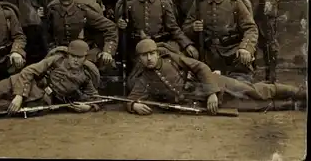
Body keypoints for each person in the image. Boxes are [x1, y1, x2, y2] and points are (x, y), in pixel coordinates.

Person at [125, 39, 306, 116]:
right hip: (199, 102)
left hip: (211, 83)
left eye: (151, 54)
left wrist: (212, 91)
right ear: (139, 59)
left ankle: (299, 93)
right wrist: (134, 105)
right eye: (144, 56)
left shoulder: (172, 59)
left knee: (255, 91)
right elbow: (130, 98)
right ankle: (293, 105)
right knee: (252, 107)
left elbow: (201, 67)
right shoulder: (143, 79)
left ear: (157, 53)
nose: (148, 58)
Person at [182, 0, 258, 82]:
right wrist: (193, 28)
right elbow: (185, 29)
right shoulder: (199, 4)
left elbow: (251, 28)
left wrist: (246, 48)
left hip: (232, 52)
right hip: (208, 54)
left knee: (240, 84)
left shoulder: (235, 3)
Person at [115, 0, 197, 72]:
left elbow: (174, 29)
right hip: (138, 48)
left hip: (161, 46)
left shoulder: (163, 2)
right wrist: (121, 25)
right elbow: (120, 30)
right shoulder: (128, 3)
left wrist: (187, 45)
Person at [45, 0, 118, 70]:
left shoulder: (84, 11)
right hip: (62, 54)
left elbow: (111, 27)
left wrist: (107, 51)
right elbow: (46, 34)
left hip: (85, 54)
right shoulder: (52, 11)